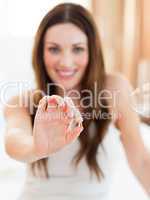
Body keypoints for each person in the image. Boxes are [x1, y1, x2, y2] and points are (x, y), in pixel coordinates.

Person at [3, 2, 150, 200]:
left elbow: (141, 161)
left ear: (92, 52)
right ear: (40, 53)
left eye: (77, 49)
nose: (66, 62)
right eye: (54, 49)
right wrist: (36, 149)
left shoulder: (114, 89)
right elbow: (14, 141)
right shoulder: (22, 101)